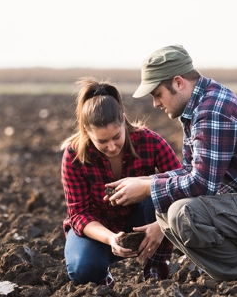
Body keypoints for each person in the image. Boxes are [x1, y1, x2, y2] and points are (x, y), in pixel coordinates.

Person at [107, 45, 237, 286]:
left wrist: (147, 188)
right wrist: (145, 182)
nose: (155, 104)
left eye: (157, 94)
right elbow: (191, 171)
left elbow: (201, 184)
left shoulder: (212, 112)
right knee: (167, 206)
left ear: (178, 83)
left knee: (182, 213)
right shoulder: (198, 106)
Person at [60, 77, 181, 285]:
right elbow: (79, 213)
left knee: (160, 191)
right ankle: (102, 277)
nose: (112, 147)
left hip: (142, 220)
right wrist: (110, 239)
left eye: (116, 136)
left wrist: (162, 226)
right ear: (86, 132)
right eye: (102, 141)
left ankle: (155, 270)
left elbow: (183, 183)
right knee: (83, 269)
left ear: (123, 120)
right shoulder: (74, 156)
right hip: (98, 229)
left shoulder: (149, 142)